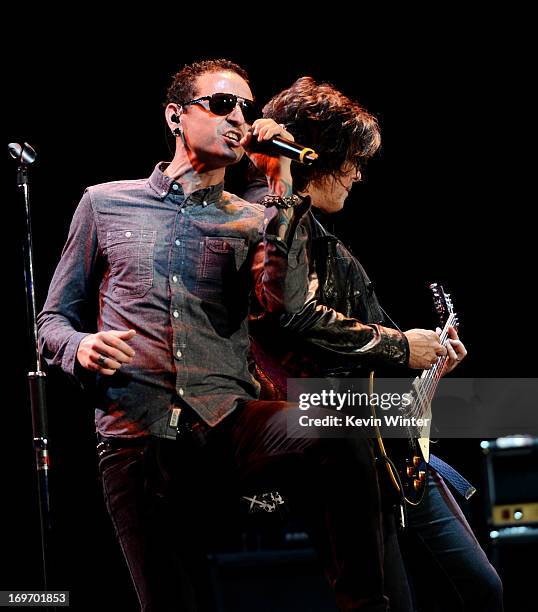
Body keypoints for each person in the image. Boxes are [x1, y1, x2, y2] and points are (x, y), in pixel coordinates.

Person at [38, 60, 397, 612]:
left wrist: (280, 187)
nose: (239, 118)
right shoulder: (103, 203)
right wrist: (78, 346)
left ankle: (365, 604)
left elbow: (281, 304)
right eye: (224, 104)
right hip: (137, 436)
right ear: (175, 116)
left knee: (336, 426)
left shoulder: (253, 218)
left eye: (247, 109)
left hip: (228, 424)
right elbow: (51, 321)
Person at [244, 76, 503, 611]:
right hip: (337, 448)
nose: (359, 174)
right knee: (387, 601)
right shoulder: (267, 222)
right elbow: (294, 317)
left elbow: (382, 357)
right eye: (353, 159)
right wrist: (402, 347)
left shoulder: (333, 249)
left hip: (385, 440)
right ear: (321, 152)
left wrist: (428, 363)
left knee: (484, 585)